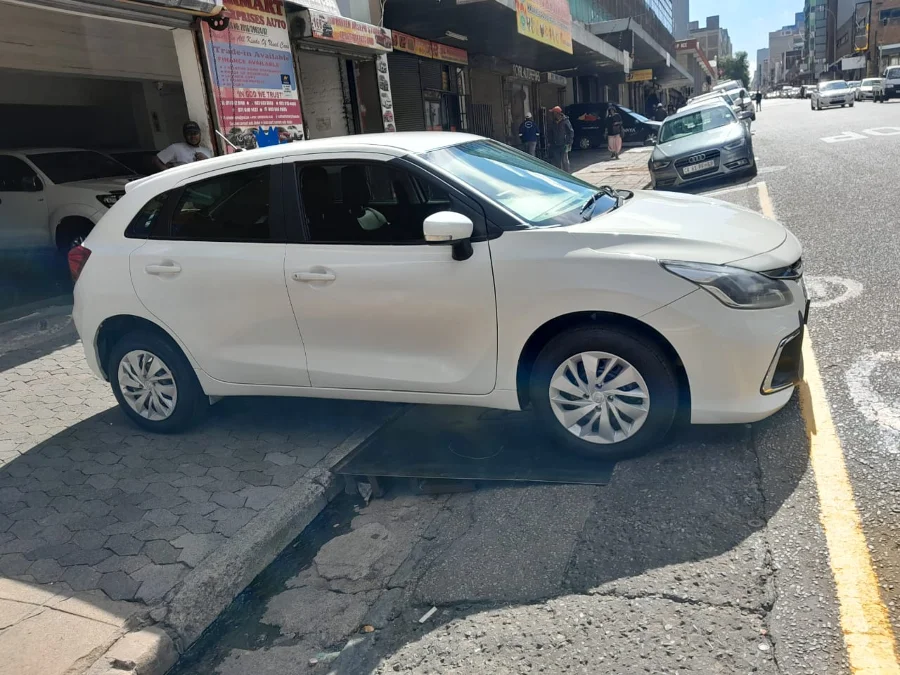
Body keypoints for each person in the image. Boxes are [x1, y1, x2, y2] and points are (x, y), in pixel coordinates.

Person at [546, 106, 573, 172]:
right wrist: (550, 142)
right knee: (557, 162)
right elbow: (550, 133)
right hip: (555, 145)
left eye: (553, 113)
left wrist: (569, 142)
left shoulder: (565, 121)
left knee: (565, 160)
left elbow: (570, 131)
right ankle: (559, 174)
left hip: (564, 144)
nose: (552, 114)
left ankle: (567, 174)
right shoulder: (553, 122)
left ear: (557, 113)